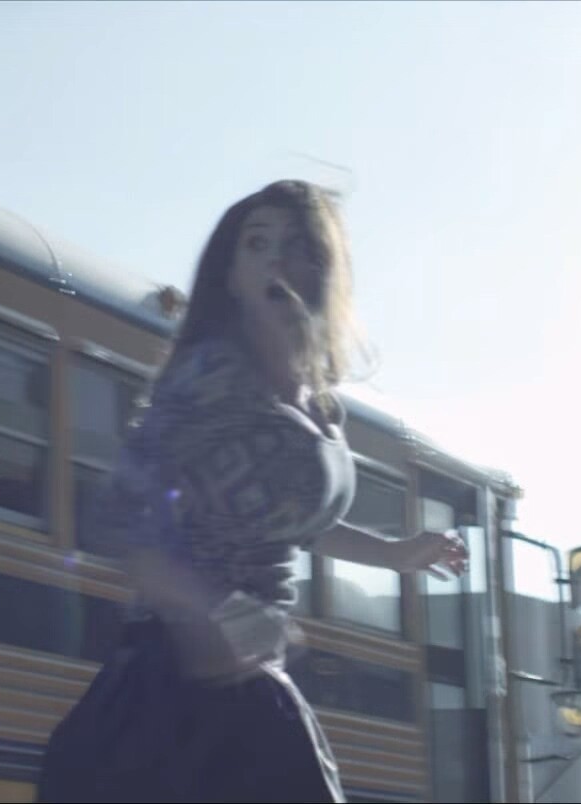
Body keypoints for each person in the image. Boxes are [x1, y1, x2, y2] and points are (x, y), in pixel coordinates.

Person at [35, 180, 468, 804]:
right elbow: (123, 518)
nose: (275, 261)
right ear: (232, 276)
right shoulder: (212, 377)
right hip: (181, 682)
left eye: (296, 247)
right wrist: (217, 610)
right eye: (257, 244)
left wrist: (398, 553)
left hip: (242, 682)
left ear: (322, 270)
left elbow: (292, 520)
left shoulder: (316, 402)